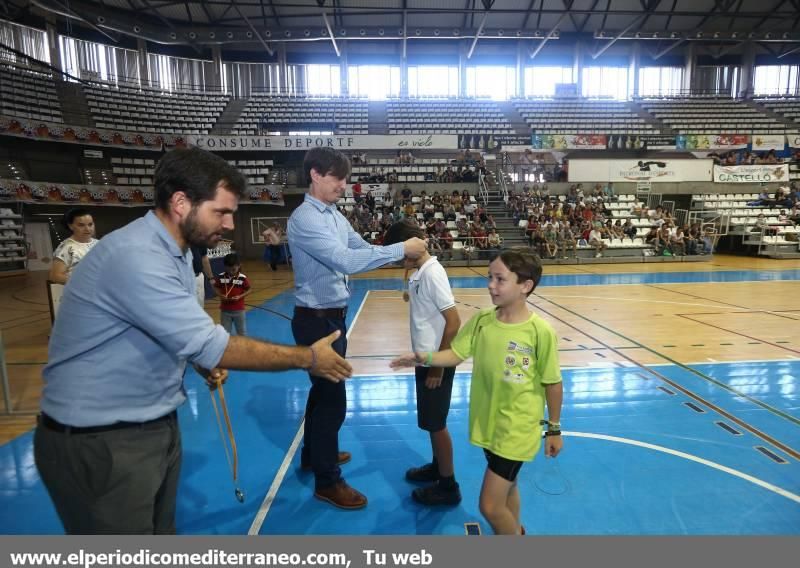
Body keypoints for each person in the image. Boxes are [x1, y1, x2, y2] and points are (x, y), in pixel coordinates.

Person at [34, 147, 352, 535]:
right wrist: (308, 358)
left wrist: (201, 362)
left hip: (147, 425)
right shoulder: (138, 256)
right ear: (181, 202)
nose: (232, 224)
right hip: (100, 440)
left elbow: (170, 330)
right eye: (221, 212)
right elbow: (211, 343)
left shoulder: (178, 254)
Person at [287, 147, 427, 510]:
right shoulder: (306, 219)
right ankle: (327, 480)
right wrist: (400, 249)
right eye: (338, 177)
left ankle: (314, 454)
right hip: (316, 322)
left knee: (322, 396)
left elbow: (363, 250)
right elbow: (345, 260)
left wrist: (397, 253)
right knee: (333, 402)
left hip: (333, 318)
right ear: (316, 174)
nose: (344, 185)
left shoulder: (332, 216)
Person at [391, 250, 563, 535]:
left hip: (516, 429)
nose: (491, 285)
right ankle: (513, 531)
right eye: (489, 278)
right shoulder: (483, 320)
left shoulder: (539, 332)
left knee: (490, 506)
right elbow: (456, 354)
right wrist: (423, 358)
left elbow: (552, 382)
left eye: (500, 279)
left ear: (525, 285)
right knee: (508, 489)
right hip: (489, 424)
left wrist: (554, 429)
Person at [383, 220, 462, 506]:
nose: (397, 258)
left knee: (437, 424)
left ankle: (448, 484)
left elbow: (453, 323)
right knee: (431, 422)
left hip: (435, 363)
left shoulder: (432, 274)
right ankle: (437, 466)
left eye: (400, 251)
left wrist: (438, 367)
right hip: (426, 359)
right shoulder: (421, 270)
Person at [48, 208, 99, 284]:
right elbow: (55, 276)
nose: (87, 229)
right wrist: (85, 282)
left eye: (90, 224)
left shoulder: (100, 244)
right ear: (71, 226)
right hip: (81, 292)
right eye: (81, 225)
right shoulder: (66, 247)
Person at [214, 252, 251, 336]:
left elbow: (249, 290)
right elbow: (216, 287)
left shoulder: (242, 278)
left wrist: (240, 296)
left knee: (242, 332)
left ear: (239, 266)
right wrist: (220, 295)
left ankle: (243, 348)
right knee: (225, 333)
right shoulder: (221, 277)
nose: (231, 272)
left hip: (239, 310)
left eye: (233, 269)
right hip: (225, 311)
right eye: (228, 269)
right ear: (225, 267)